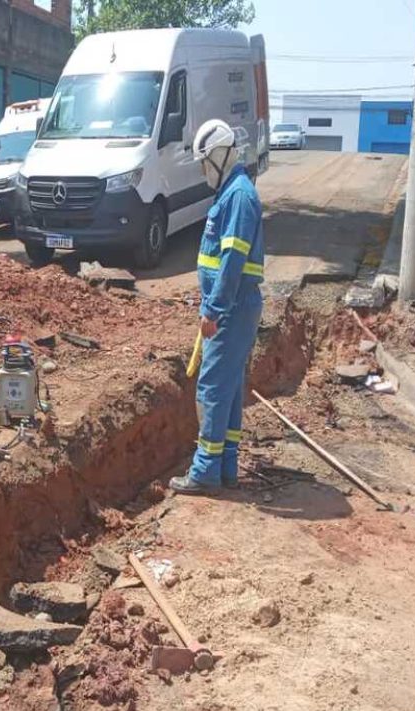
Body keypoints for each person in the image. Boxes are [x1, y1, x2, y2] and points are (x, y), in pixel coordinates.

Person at [171, 119, 265, 496]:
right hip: (231, 307)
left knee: (211, 388)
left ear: (222, 155)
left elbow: (231, 262)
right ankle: (225, 465)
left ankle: (205, 470)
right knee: (226, 388)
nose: (203, 169)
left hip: (232, 308)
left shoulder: (239, 197)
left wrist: (213, 310)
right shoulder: (230, 194)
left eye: (205, 161)